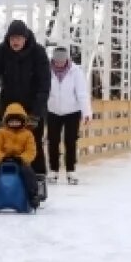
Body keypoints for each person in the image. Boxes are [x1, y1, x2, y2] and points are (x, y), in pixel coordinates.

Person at [0, 19, 52, 200]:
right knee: (4, 143)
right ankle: (3, 184)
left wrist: (36, 114)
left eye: (19, 38)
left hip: (31, 105)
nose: (15, 42)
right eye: (12, 38)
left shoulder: (38, 53)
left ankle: (38, 182)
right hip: (8, 106)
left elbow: (45, 85)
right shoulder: (1, 51)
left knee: (32, 144)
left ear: (25, 38)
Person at [0, 103, 41, 210]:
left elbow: (31, 151)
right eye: (11, 121)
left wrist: (22, 158)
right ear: (7, 121)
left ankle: (33, 195)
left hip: (20, 162)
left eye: (17, 121)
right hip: (2, 161)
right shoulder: (1, 133)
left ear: (23, 121)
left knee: (29, 173)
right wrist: (1, 157)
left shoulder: (28, 135)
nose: (14, 123)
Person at [46, 45, 92, 185]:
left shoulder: (75, 71)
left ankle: (71, 171)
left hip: (72, 111)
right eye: (57, 61)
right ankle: (53, 170)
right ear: (53, 59)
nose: (59, 63)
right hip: (52, 110)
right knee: (53, 141)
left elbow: (82, 93)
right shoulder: (47, 70)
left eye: (62, 61)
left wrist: (87, 112)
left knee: (70, 141)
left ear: (67, 59)